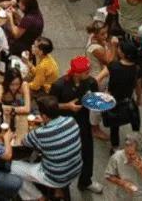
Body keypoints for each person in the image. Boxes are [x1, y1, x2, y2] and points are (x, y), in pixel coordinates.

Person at [11, 95, 84, 200]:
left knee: (12, 167)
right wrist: (44, 121)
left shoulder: (40, 134)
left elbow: (23, 141)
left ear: (44, 116)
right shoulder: (71, 121)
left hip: (55, 177)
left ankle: (39, 197)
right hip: (76, 170)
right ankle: (58, 191)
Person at [51, 56, 103, 193]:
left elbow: (95, 99)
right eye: (86, 72)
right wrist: (67, 106)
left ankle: (86, 180)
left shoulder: (91, 83)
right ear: (76, 73)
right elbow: (50, 106)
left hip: (84, 123)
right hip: (64, 125)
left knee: (87, 152)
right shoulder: (59, 85)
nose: (89, 74)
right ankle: (60, 184)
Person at [105, 132, 142, 201]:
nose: (128, 157)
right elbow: (108, 176)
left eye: (132, 154)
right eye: (126, 152)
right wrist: (122, 183)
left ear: (140, 151)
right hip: (123, 198)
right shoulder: (116, 157)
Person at [103, 39, 141, 149]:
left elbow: (104, 72)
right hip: (128, 101)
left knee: (114, 127)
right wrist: (138, 98)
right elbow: (138, 87)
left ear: (122, 53)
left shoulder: (113, 66)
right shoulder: (136, 69)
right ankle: (136, 143)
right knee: (135, 122)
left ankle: (114, 148)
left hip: (113, 102)